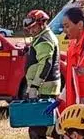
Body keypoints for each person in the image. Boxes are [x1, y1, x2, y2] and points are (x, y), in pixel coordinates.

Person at [23, 10, 61, 139]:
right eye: (29, 28)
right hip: (45, 86)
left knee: (38, 130)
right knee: (48, 126)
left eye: (33, 27)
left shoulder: (44, 39)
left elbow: (45, 64)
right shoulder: (42, 37)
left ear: (42, 23)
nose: (31, 31)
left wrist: (35, 86)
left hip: (44, 87)